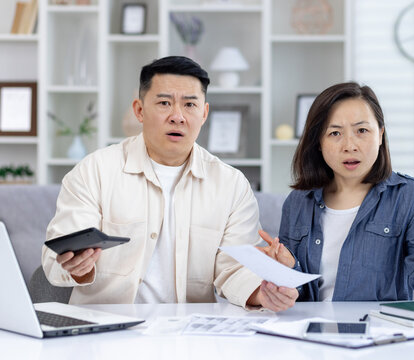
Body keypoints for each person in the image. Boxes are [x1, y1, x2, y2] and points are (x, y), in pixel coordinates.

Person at [41, 56, 292, 310]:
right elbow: (56, 256)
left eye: (190, 105)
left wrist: (264, 292)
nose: (177, 116)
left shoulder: (231, 184)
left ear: (204, 113)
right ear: (139, 110)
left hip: (190, 336)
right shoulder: (95, 171)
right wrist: (79, 268)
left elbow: (235, 269)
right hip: (107, 330)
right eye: (164, 103)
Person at [258, 81, 414, 310]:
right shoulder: (298, 203)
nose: (349, 145)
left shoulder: (412, 197)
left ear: (381, 134)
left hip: (380, 336)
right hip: (311, 335)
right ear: (319, 143)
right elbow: (300, 296)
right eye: (335, 133)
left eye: (361, 131)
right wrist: (288, 270)